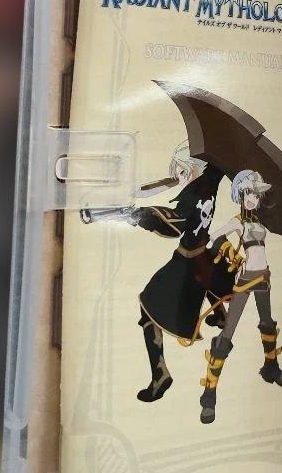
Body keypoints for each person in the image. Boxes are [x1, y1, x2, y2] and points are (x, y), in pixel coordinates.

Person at [80, 142, 233, 402]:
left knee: (148, 305)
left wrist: (141, 216)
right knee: (206, 279)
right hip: (202, 255)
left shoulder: (193, 194)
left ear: (192, 169)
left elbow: (174, 224)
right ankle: (219, 316)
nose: (178, 177)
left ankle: (160, 374)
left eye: (182, 171)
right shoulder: (210, 181)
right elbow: (212, 171)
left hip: (188, 263)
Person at [197, 169, 282, 424]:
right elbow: (213, 239)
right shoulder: (237, 221)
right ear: (240, 194)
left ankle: (271, 368)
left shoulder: (259, 223)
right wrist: (231, 252)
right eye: (248, 193)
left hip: (264, 277)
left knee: (267, 324)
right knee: (227, 333)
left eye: (256, 195)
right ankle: (209, 396)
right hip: (245, 279)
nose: (252, 198)